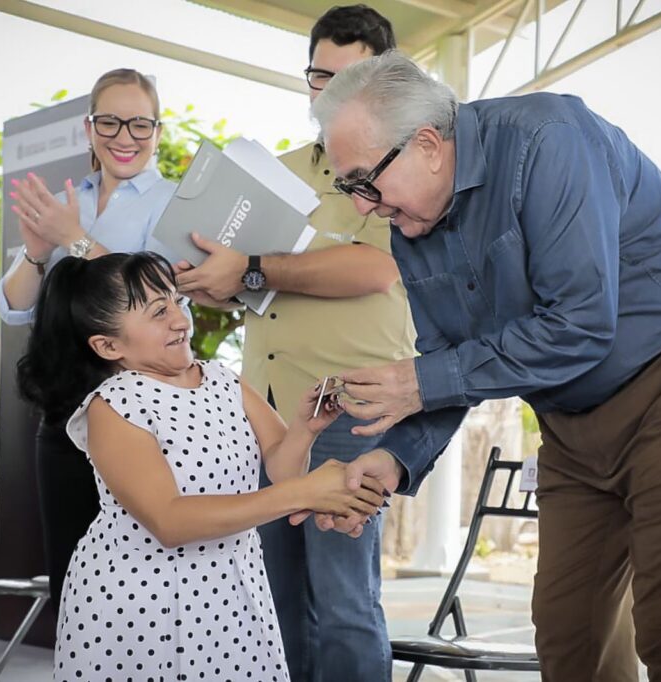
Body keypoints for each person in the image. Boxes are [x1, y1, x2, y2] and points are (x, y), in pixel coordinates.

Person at [311, 51, 661, 681]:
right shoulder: (409, 224)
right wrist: (390, 463)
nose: (363, 206)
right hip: (570, 415)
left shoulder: (547, 141)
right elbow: (444, 365)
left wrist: (419, 383)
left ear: (427, 144)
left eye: (365, 181)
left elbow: (580, 322)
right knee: (569, 632)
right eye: (349, 188)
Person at [175, 6, 413, 680]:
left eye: (350, 76)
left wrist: (251, 267)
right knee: (273, 606)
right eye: (319, 75)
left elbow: (376, 268)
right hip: (268, 413)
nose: (328, 91)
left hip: (351, 408)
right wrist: (212, 283)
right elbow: (246, 283)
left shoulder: (395, 169)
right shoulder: (270, 171)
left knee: (344, 605)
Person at [16, 251, 385, 681]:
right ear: (108, 345)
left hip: (231, 595)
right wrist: (304, 494)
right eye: (158, 312)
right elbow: (170, 520)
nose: (179, 320)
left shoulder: (224, 380)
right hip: (140, 607)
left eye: (176, 301)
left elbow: (283, 469)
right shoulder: (114, 405)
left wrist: (305, 429)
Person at [0, 67, 182, 610]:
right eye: (111, 121)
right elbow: (13, 308)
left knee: (134, 583)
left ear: (158, 131)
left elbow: (151, 295)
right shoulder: (65, 199)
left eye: (140, 124)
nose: (125, 136)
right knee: (71, 579)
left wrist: (72, 239)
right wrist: (35, 249)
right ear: (89, 127)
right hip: (61, 405)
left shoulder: (174, 202)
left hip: (136, 409)